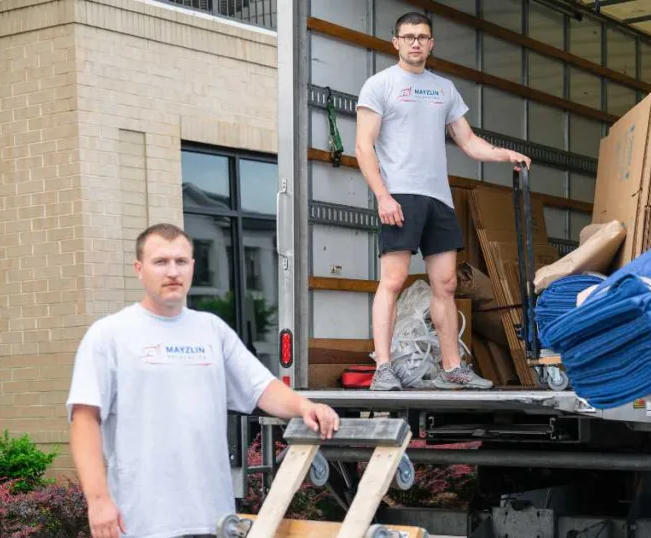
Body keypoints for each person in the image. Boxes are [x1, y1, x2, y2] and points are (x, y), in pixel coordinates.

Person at [66, 223, 341, 538]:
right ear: (139, 269)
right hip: (142, 521)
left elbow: (261, 388)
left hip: (213, 518)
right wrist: (98, 500)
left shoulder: (212, 330)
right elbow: (84, 420)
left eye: (181, 261)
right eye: (161, 262)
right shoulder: (109, 335)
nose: (173, 271)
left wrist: (305, 406)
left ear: (193, 267)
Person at [355, 11, 531, 391]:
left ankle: (453, 366)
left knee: (447, 283)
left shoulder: (444, 89)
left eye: (422, 36)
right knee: (394, 279)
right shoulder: (379, 85)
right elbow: (362, 146)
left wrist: (506, 155)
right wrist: (383, 196)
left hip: (438, 197)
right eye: (408, 36)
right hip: (399, 195)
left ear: (431, 43)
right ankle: (383, 367)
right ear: (396, 42)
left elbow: (468, 143)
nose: (416, 42)